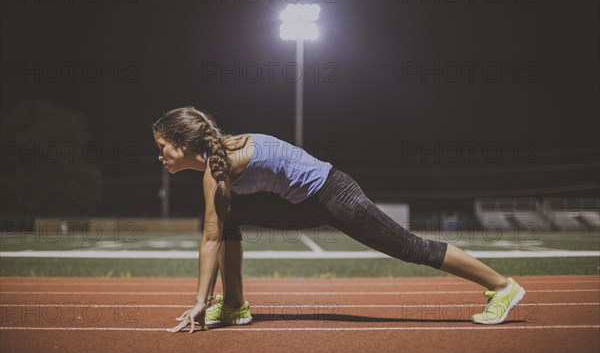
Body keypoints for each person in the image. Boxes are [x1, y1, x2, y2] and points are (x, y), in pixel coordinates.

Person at [152, 106, 526, 333]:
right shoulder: (220, 163)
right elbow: (216, 233)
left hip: (333, 193)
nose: (160, 156)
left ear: (182, 144)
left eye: (162, 147)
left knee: (408, 247)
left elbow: (210, 240)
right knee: (228, 214)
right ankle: (234, 304)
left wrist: (199, 301)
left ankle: (501, 285)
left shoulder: (217, 170)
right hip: (299, 204)